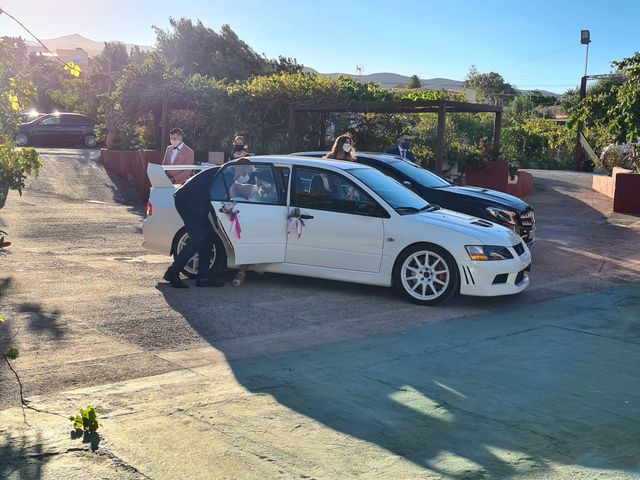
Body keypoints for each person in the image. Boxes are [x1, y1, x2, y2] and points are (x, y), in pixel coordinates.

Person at [163, 165, 225, 289]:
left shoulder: (226, 171)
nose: (249, 174)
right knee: (198, 239)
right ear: (242, 167)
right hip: (186, 202)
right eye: (249, 170)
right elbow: (218, 195)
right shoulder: (227, 172)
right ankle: (172, 273)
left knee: (208, 238)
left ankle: (203, 278)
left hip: (197, 205)